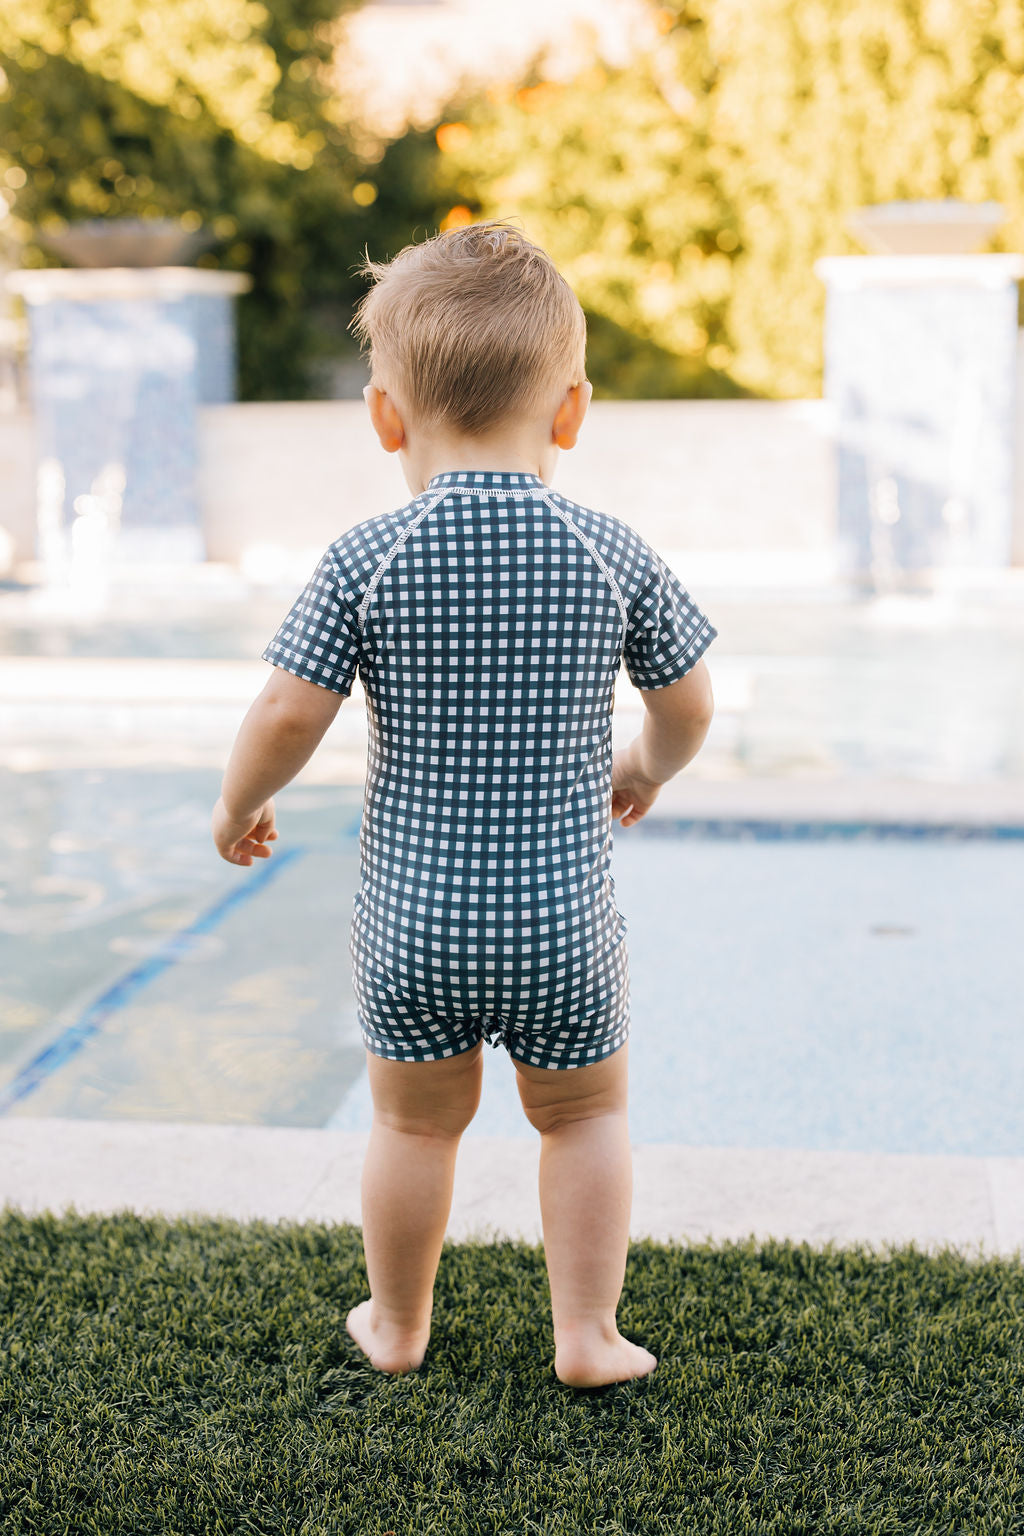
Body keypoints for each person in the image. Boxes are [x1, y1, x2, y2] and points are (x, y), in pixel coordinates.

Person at [212, 221, 716, 1389]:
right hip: (559, 925)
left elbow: (286, 713)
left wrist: (237, 804)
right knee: (582, 1120)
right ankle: (586, 1335)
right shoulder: (609, 552)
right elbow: (689, 703)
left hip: (416, 923)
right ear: (571, 411)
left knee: (412, 1125)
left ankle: (396, 1326)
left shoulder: (367, 557)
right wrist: (645, 767)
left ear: (385, 418)